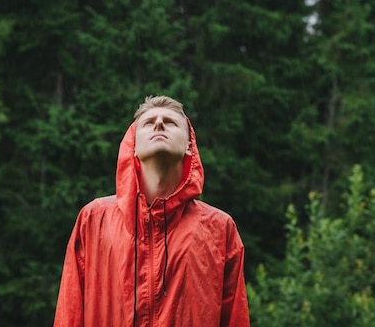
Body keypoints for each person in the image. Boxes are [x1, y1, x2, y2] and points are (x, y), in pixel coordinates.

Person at [53, 96, 250, 327]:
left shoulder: (218, 228)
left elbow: (235, 319)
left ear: (189, 145)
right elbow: (70, 312)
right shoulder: (94, 219)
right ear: (133, 146)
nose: (158, 124)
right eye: (149, 122)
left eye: (170, 122)